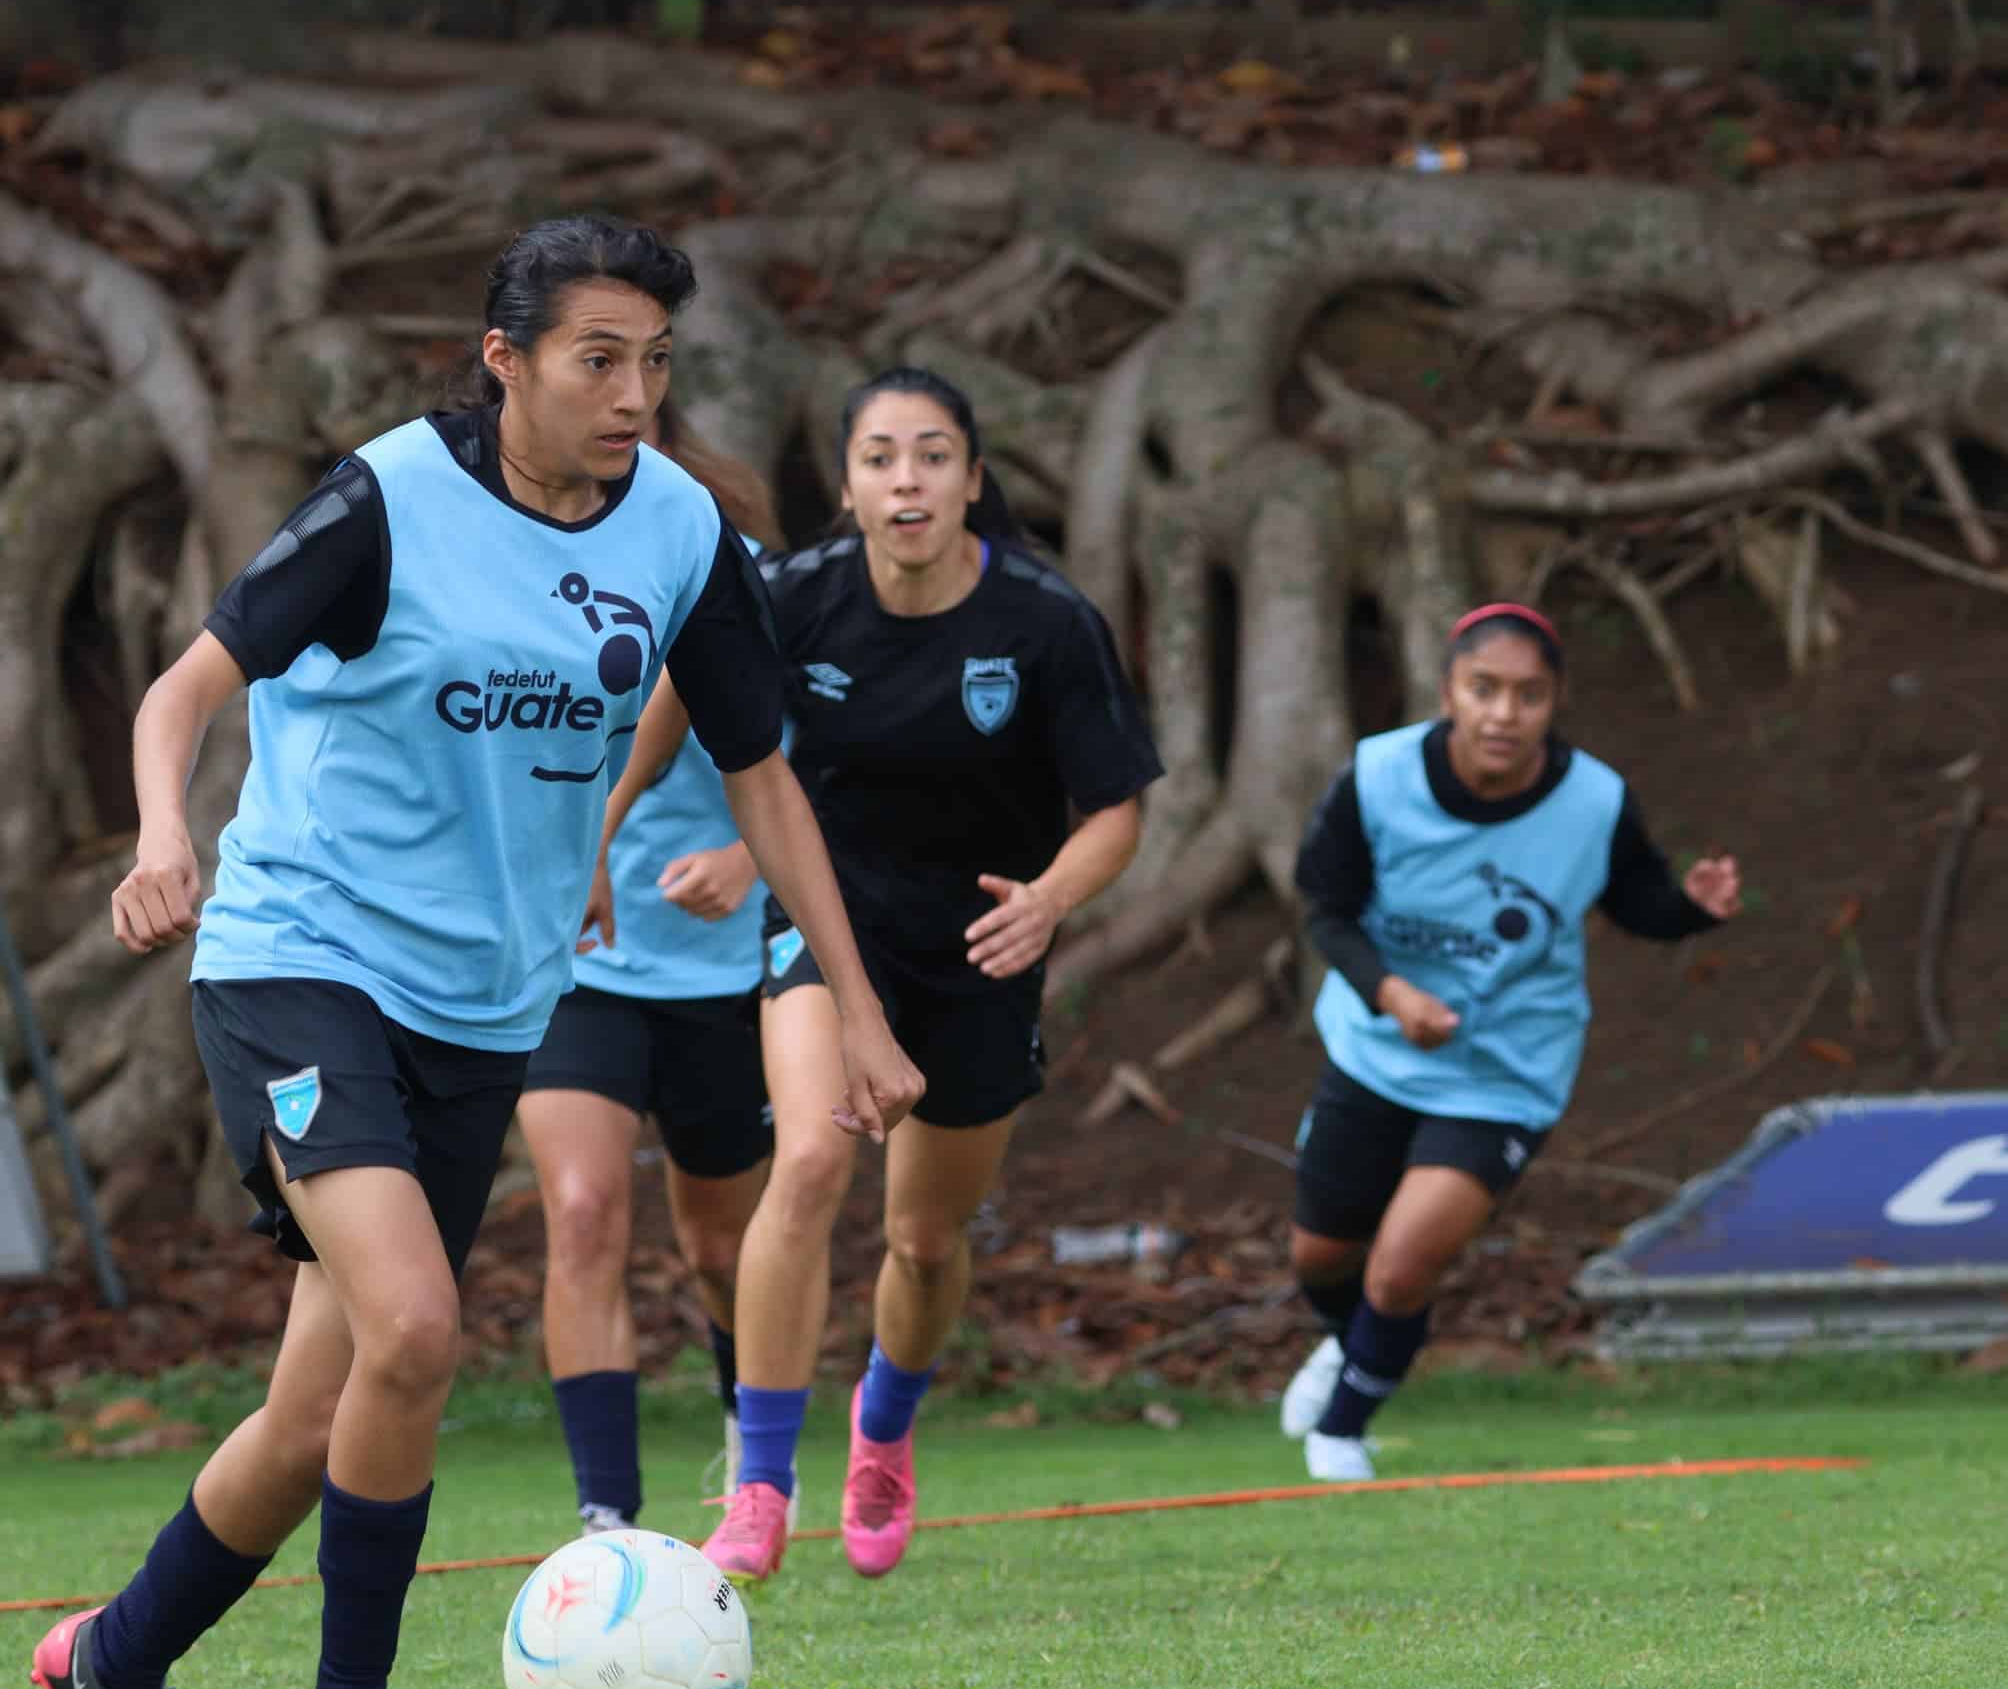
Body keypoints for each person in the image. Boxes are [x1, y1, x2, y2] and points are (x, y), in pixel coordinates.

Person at [31, 216, 923, 1689]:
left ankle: (115, 1657)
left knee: (320, 1412)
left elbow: (767, 772)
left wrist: (854, 1007)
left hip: (486, 1005)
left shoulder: (679, 533)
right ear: (503, 361)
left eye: (657, 361)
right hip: (301, 959)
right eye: (599, 358)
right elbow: (182, 691)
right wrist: (165, 837)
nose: (634, 393)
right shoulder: (387, 504)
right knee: (423, 1330)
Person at [592, 367, 1161, 1584]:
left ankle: (885, 1427)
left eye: (934, 455)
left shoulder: (1045, 622)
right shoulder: (794, 594)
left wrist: (1052, 898)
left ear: (972, 479)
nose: (908, 479)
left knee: (923, 1237)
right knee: (804, 1161)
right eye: (881, 457)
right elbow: (687, 697)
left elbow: (1115, 810)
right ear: (847, 486)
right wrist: (607, 825)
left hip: (976, 950)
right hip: (829, 926)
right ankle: (759, 1480)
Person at [1273, 600, 1742, 1480]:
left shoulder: (1594, 800)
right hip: (1378, 1048)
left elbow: (1636, 903)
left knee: (1404, 1261)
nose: (1503, 713)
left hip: (1504, 1067)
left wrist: (1692, 909)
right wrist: (1392, 991)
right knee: (1321, 1255)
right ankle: (1351, 1346)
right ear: (1449, 690)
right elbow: (1326, 913)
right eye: (1484, 689)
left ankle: (1344, 1429)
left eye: (1527, 696)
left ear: (1554, 701)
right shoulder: (1378, 777)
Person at [523, 407, 783, 1536]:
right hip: (574, 960)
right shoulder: (514, 572)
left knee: (722, 1246)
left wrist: (744, 854)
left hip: (722, 968)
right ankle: (607, 1520)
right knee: (581, 1210)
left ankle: (751, 1438)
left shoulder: (739, 573)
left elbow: (812, 764)